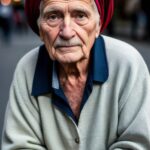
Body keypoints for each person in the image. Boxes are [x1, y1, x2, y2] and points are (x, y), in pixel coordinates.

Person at [1, 0, 150, 149]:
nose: (67, 32)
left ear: (98, 25)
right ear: (40, 29)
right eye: (53, 17)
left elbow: (138, 144)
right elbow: (19, 145)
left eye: (80, 16)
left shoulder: (128, 64)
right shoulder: (27, 69)